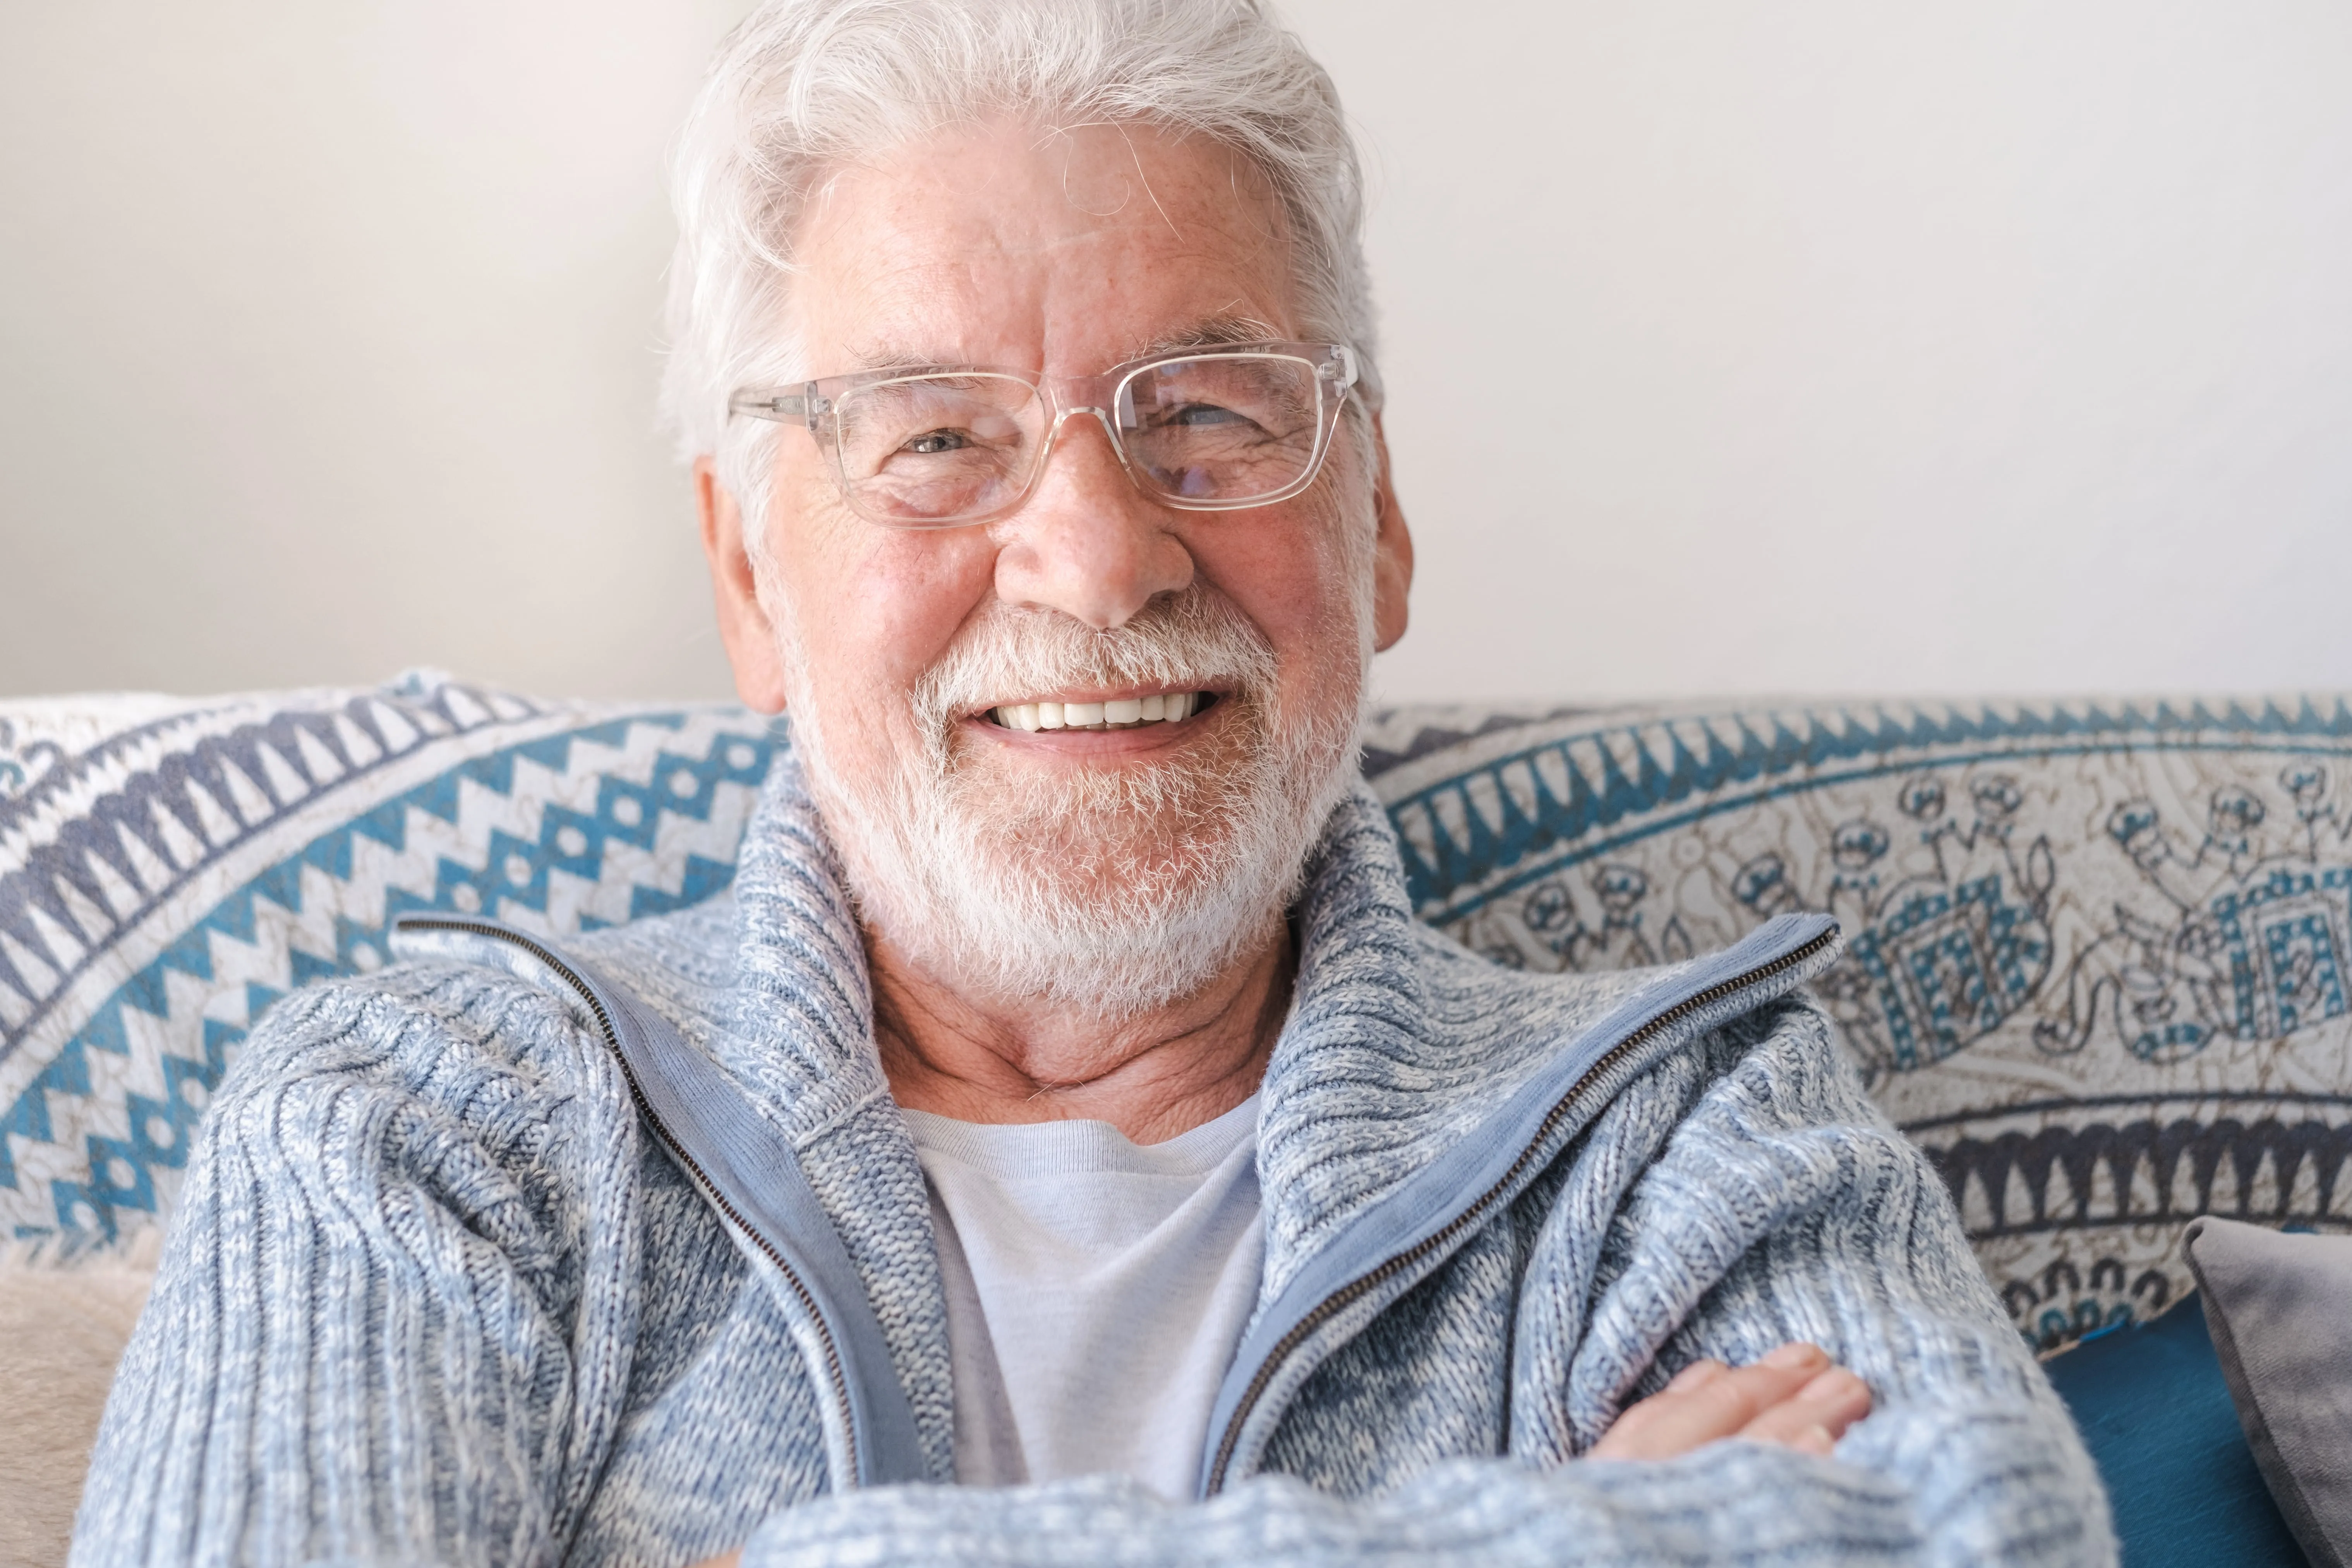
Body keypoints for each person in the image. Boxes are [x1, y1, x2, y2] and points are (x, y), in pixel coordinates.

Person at [74, 1, 2112, 1562]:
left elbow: (1980, 1537)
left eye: (1210, 414)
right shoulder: (421, 1119)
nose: (1098, 555)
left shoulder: (1677, 1122)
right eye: (936, 438)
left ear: (1378, 518)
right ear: (747, 576)